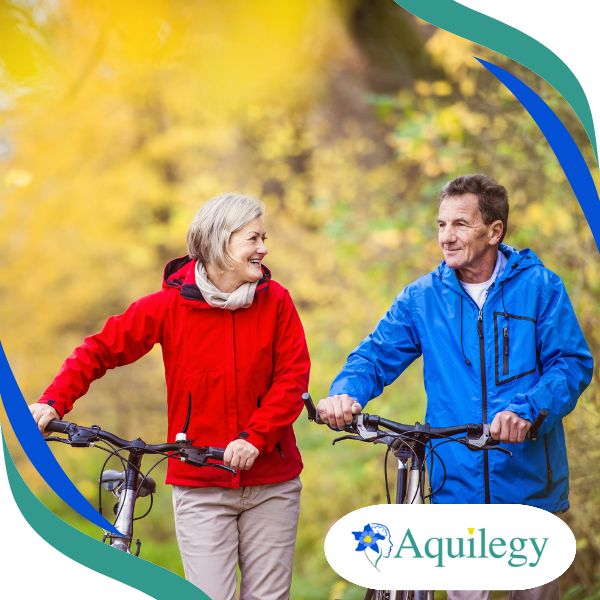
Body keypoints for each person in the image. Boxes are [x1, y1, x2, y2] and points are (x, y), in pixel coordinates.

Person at [317, 174, 593, 600]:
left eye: (460, 224)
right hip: (455, 487)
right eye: (441, 224)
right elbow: (373, 356)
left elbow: (570, 364)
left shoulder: (540, 288)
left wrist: (528, 408)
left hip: (528, 484)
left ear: (494, 231)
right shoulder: (422, 298)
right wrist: (346, 392)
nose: (446, 236)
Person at [30, 192, 310, 600]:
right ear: (219, 242)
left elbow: (293, 377)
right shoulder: (168, 306)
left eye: (263, 238)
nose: (263, 249)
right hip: (200, 485)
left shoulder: (276, 302)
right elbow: (100, 349)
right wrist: (53, 401)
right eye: (252, 239)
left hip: (272, 482)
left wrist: (255, 438)